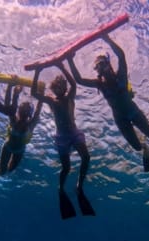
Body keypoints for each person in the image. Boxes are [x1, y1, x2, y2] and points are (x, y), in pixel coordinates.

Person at [68, 34, 149, 172]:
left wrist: (107, 38)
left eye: (102, 64)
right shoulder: (99, 84)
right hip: (120, 118)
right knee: (136, 147)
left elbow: (121, 55)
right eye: (97, 67)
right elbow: (79, 80)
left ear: (109, 64)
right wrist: (70, 60)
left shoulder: (121, 75)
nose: (101, 69)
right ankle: (144, 148)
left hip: (133, 111)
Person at [31, 61, 95, 219]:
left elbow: (73, 84)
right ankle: (61, 188)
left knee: (86, 157)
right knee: (66, 167)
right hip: (61, 137)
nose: (59, 89)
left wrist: (62, 67)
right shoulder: (51, 101)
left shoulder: (70, 96)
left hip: (74, 132)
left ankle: (79, 184)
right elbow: (34, 93)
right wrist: (37, 72)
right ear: (53, 88)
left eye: (62, 86)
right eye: (56, 86)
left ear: (64, 88)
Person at [0, 84, 43, 175]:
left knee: (11, 170)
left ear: (30, 113)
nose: (25, 111)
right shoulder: (13, 120)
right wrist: (15, 93)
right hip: (8, 147)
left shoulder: (31, 124)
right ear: (19, 111)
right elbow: (11, 106)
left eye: (27, 110)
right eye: (23, 109)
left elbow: (38, 110)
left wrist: (41, 95)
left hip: (19, 150)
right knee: (2, 171)